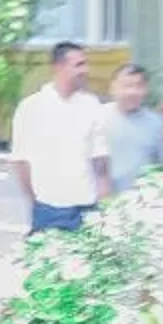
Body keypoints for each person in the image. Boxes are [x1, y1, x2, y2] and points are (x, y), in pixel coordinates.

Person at [13, 40, 109, 231]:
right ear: (59, 67)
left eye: (85, 64)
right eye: (79, 65)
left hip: (86, 207)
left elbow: (100, 157)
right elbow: (21, 161)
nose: (85, 70)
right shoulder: (31, 108)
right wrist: (35, 200)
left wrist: (103, 198)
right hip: (48, 208)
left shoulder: (91, 105)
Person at [102, 64, 163, 194]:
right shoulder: (97, 118)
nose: (132, 92)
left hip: (143, 200)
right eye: (127, 86)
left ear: (146, 89)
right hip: (103, 199)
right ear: (113, 88)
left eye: (138, 86)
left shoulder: (156, 123)